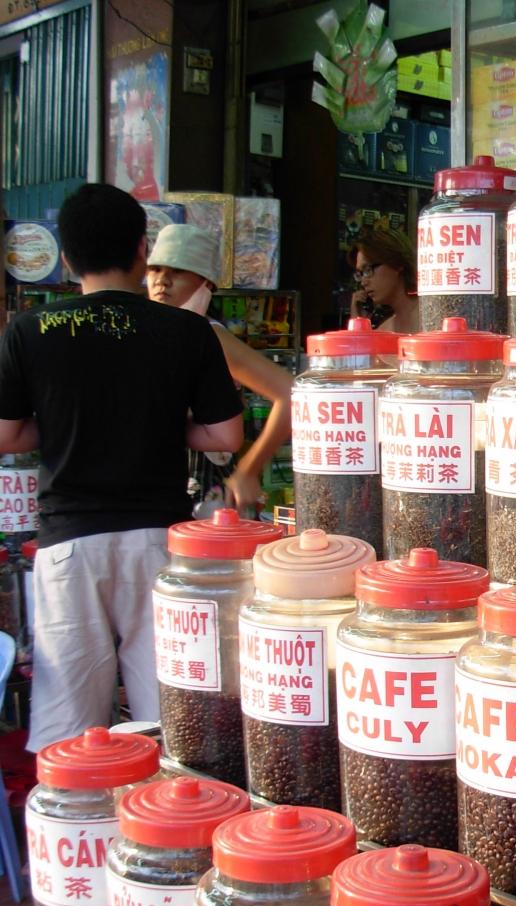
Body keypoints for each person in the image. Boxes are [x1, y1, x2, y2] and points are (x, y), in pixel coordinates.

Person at [0, 183, 243, 751]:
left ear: (66, 258)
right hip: (159, 543)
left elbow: (7, 435)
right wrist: (158, 424)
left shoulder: (29, 330)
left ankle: (77, 808)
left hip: (69, 544)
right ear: (140, 249)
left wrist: (63, 427)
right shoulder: (185, 330)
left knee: (70, 732)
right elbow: (225, 437)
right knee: (171, 718)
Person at [147, 223, 293, 513]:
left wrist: (249, 469)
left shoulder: (208, 335)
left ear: (205, 283)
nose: (162, 281)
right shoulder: (162, 330)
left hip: (205, 497)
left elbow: (291, 394)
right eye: (156, 269)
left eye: (178, 271)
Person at [349, 226, 418, 333]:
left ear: (396, 263)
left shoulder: (434, 318)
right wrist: (360, 324)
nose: (363, 282)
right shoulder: (383, 330)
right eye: (360, 274)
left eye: (368, 270)